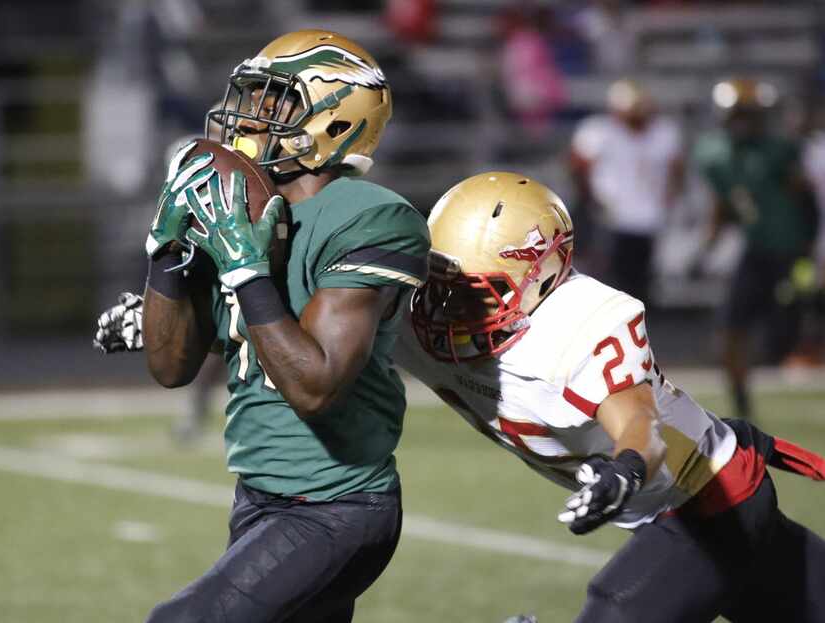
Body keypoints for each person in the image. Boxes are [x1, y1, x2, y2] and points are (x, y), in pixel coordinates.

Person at [97, 171, 825, 622]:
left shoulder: (579, 323)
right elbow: (311, 337)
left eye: (472, 295)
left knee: (617, 610)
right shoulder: (425, 315)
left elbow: (631, 415)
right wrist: (166, 320)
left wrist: (624, 466)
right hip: (680, 500)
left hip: (705, 500)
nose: (446, 312)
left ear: (544, 278)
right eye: (440, 286)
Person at [105, 29, 431, 623]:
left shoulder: (372, 217)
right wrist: (166, 252)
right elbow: (171, 366)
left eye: (271, 100)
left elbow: (316, 386)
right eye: (251, 96)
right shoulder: (238, 201)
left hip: (338, 503)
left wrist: (245, 270)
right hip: (258, 492)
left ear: (336, 120)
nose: (248, 115)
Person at [693, 78, 819, 419]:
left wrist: (808, 255)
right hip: (758, 251)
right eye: (738, 114)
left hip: (794, 251)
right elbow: (727, 205)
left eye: (749, 114)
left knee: (798, 325)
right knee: (730, 328)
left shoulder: (779, 150)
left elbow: (806, 202)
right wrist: (707, 246)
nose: (743, 122)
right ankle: (741, 409)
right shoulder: (717, 155)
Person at [569, 78, 684, 304]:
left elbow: (677, 170)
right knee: (609, 278)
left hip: (648, 217)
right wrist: (591, 199)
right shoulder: (599, 131)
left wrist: (669, 197)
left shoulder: (663, 133)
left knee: (642, 280)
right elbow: (577, 166)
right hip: (611, 215)